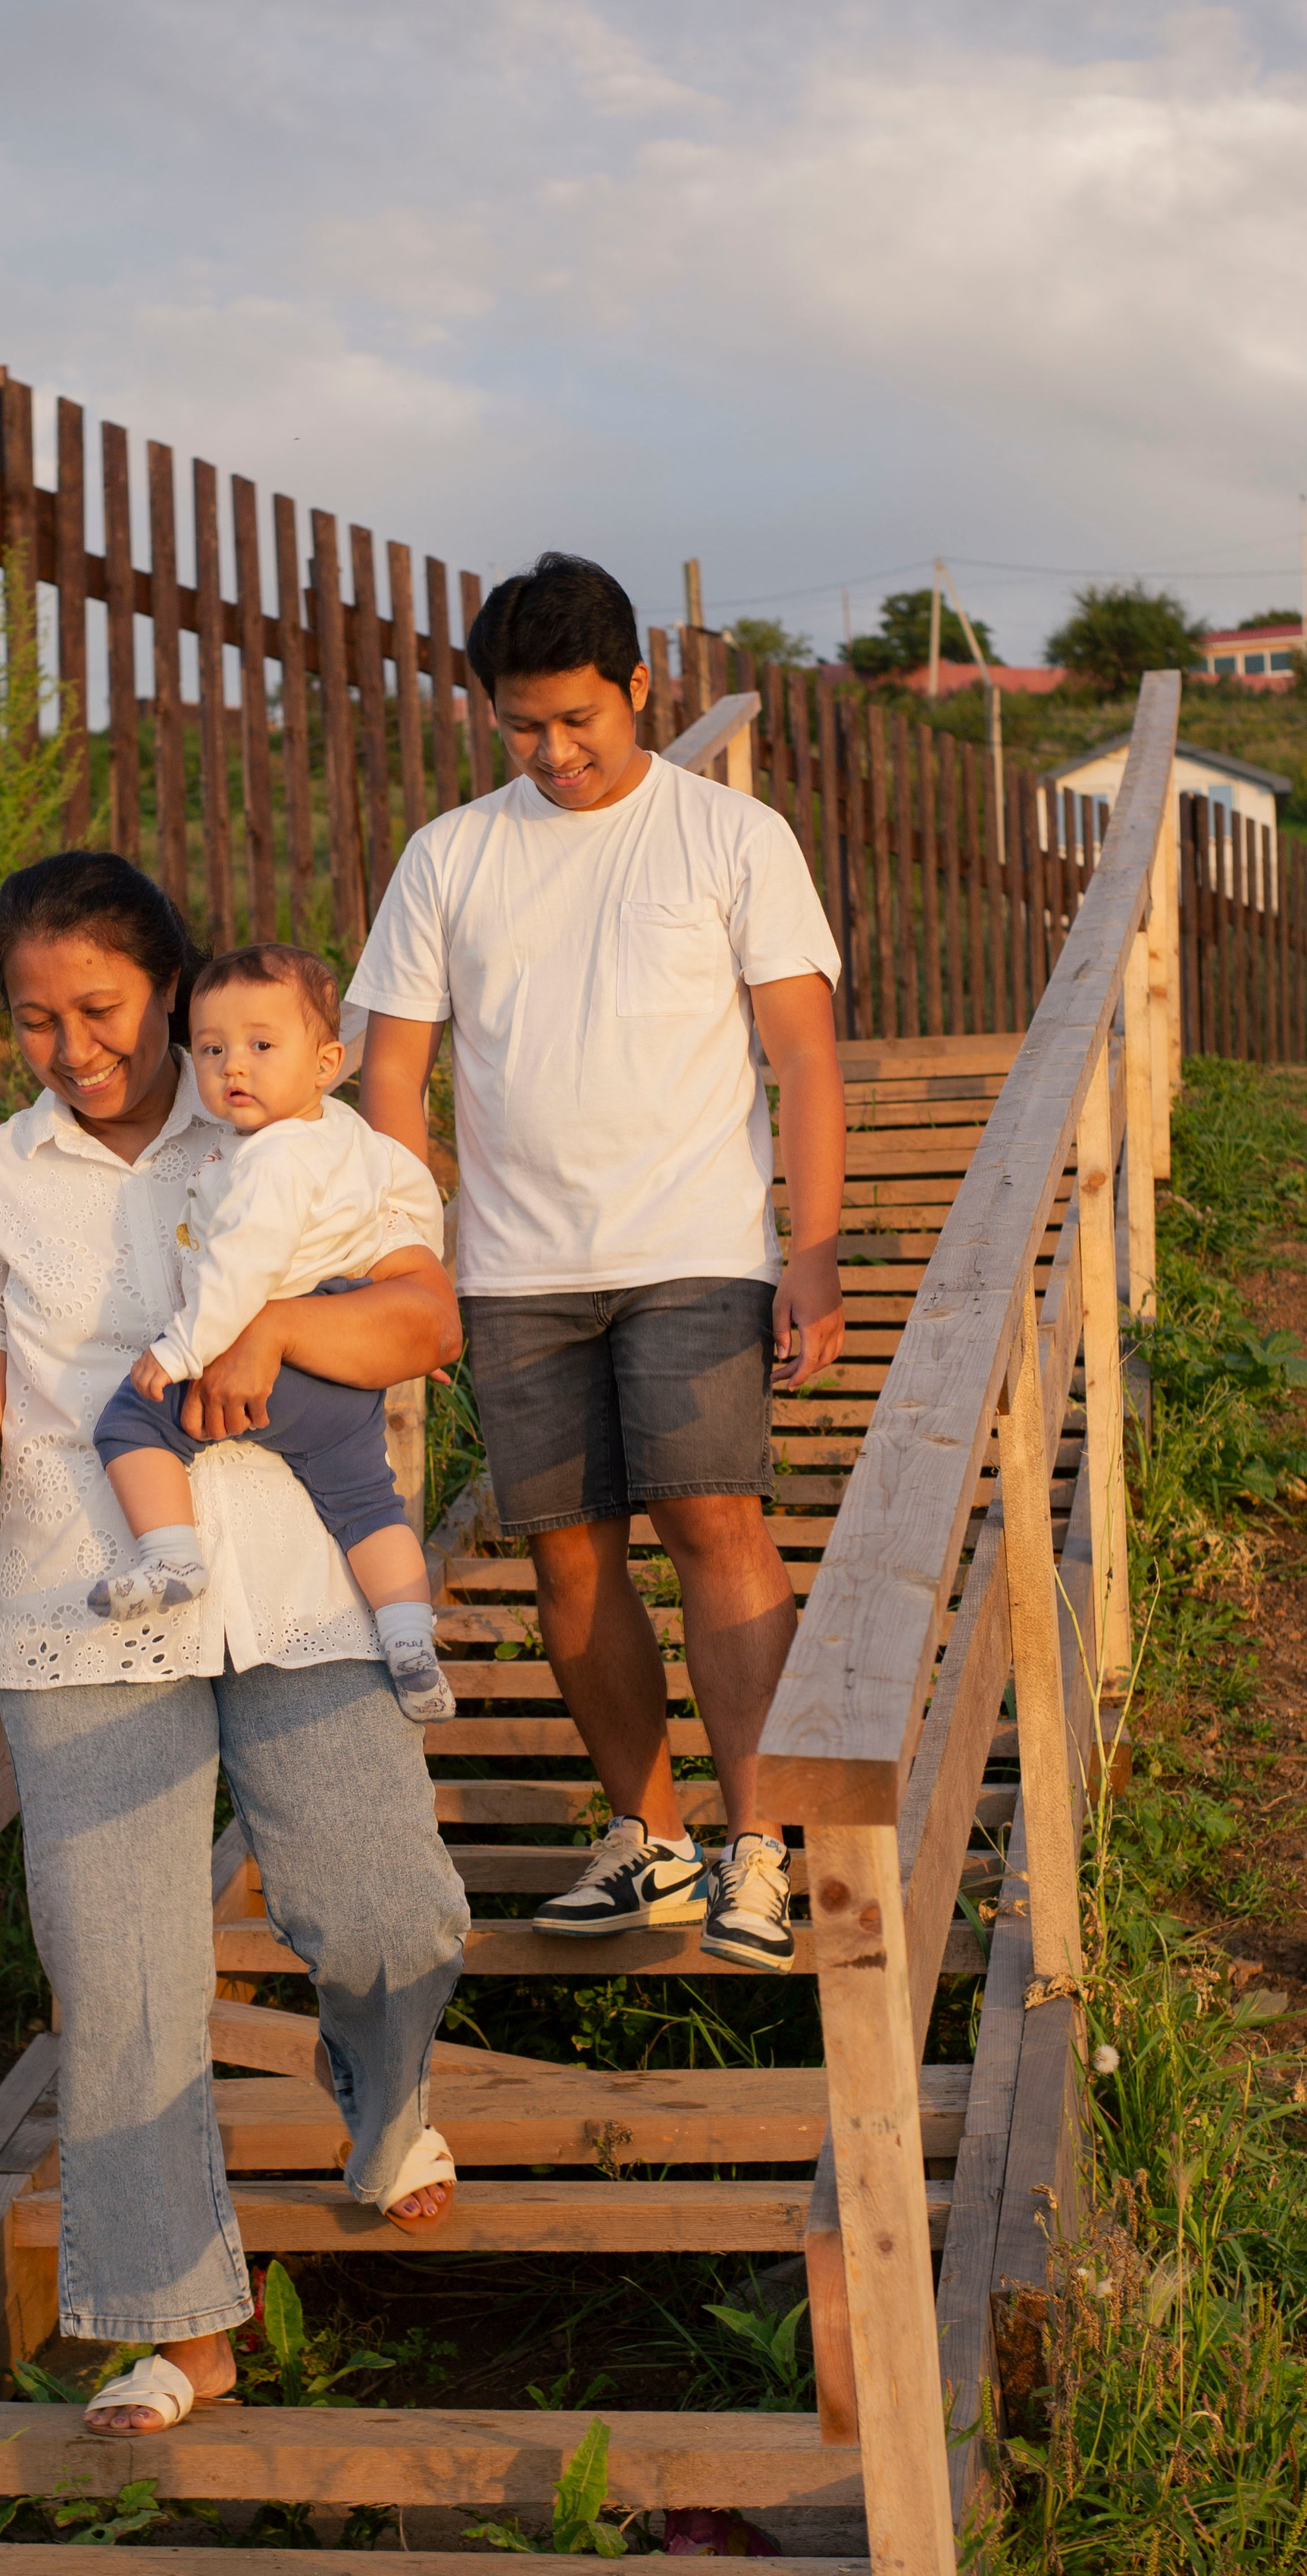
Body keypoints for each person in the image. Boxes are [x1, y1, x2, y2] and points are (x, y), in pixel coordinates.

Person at [0, 850, 468, 2435]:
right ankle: (173, 2324)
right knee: (119, 1986)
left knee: (386, 1916)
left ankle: (382, 2097)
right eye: (34, 1019)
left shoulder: (291, 1122)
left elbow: (420, 1321)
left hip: (296, 1577)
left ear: (175, 990)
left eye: (103, 1008)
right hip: (84, 1602)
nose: (73, 1048)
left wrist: (270, 1330)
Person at [354, 552, 846, 1974]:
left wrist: (810, 1252)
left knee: (713, 1523)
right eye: (524, 727)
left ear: (642, 688)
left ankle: (759, 1848)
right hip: (513, 1268)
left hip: (696, 1245)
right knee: (567, 1559)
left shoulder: (732, 838)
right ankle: (651, 1846)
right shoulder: (451, 855)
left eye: (581, 718)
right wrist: (413, 1258)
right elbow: (392, 1076)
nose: (556, 752)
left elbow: (802, 1055)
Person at [87, 938, 453, 1725]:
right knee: (366, 1503)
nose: (233, 1069)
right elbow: (411, 1204)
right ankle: (408, 1637)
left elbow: (241, 1271)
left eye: (260, 1046)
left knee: (129, 1422)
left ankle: (172, 1560)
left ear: (325, 1063)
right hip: (341, 1364)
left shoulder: (269, 1160)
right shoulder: (348, 1137)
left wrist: (180, 1349)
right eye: (213, 1049)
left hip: (264, 1357)